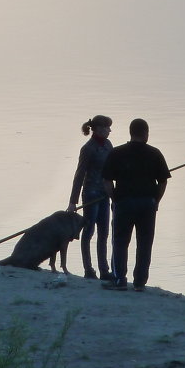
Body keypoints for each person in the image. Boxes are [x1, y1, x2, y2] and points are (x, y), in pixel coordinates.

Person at [100, 118, 170, 292]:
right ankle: (139, 282)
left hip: (124, 202)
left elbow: (107, 181)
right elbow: (162, 182)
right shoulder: (155, 153)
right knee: (145, 243)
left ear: (131, 133)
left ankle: (119, 280)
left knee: (120, 242)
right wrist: (156, 201)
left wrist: (113, 199)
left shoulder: (117, 153)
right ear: (146, 134)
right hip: (147, 203)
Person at [67, 115, 114, 280]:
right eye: (107, 127)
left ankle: (104, 270)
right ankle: (88, 269)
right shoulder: (88, 148)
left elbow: (113, 171)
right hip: (90, 195)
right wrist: (73, 202)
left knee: (104, 232)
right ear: (99, 129)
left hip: (104, 194)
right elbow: (79, 175)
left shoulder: (108, 145)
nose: (110, 130)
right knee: (88, 231)